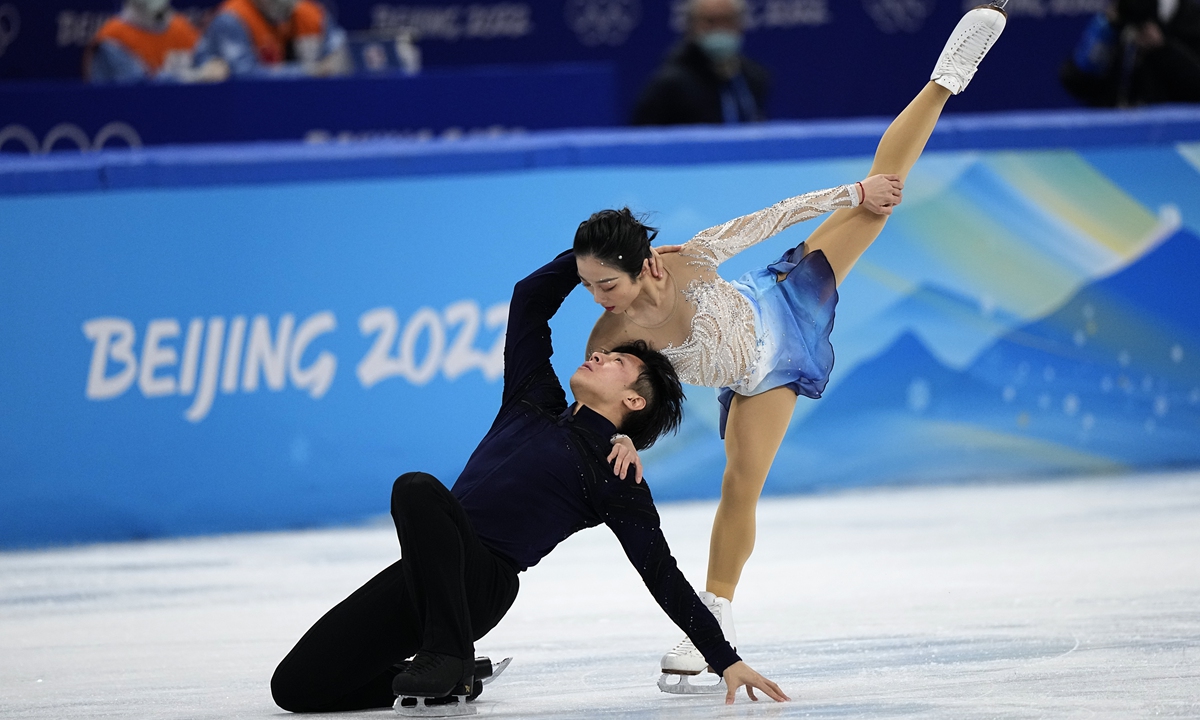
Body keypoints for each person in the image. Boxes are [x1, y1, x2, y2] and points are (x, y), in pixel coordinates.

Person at [576, 3, 1009, 680]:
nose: (597, 302)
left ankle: (946, 79)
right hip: (756, 378)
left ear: (645, 266)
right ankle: (712, 618)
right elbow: (600, 398)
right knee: (739, 485)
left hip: (782, 302)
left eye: (605, 284)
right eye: (589, 287)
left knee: (881, 198)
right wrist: (621, 437)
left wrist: (853, 191)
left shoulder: (689, 259)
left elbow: (770, 217)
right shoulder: (612, 332)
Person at [270, 250, 788, 714]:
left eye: (619, 362)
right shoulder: (532, 397)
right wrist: (595, 257)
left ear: (634, 401)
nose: (601, 353)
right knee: (295, 690)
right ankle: (456, 680)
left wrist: (725, 660)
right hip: (428, 574)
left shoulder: (613, 473)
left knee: (415, 489)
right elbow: (529, 301)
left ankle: (448, 655)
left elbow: (661, 572)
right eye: (609, 352)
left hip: (481, 584)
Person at [632, 0, 770, 126]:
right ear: (691, 26)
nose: (719, 29)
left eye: (727, 20)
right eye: (710, 21)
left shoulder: (754, 78)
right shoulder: (669, 85)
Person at [1061, 0, 1200, 106]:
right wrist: (1105, 30)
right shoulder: (1118, 20)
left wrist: (1163, 48)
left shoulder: (1191, 19)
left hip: (1177, 134)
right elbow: (1076, 81)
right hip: (1115, 134)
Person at [192, 0, 350, 78]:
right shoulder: (232, 19)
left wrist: (335, 63)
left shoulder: (312, 15)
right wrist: (310, 71)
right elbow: (244, 75)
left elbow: (341, 61)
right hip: (242, 110)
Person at [85, 0, 226, 83]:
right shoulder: (112, 38)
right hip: (133, 122)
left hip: (185, 113)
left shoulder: (180, 27)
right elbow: (141, 87)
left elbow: (205, 58)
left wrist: (213, 66)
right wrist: (195, 76)